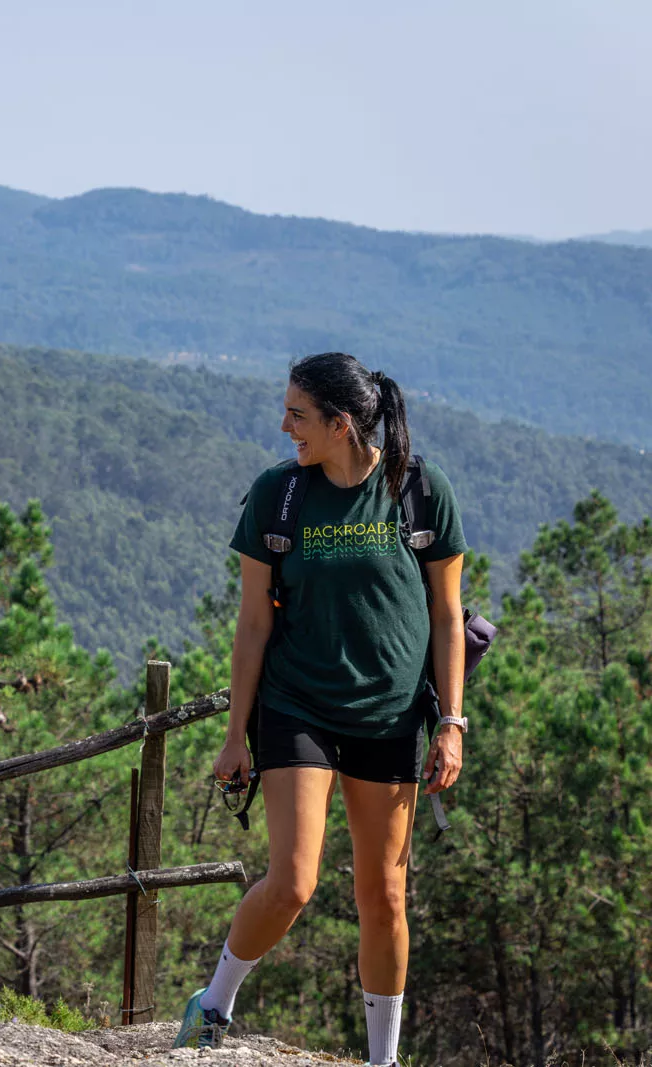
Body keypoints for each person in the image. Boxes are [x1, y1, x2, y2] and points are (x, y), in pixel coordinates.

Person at [174, 352, 469, 1067]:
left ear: (342, 424)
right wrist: (236, 734)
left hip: (390, 715)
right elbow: (251, 624)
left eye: (297, 415)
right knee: (294, 881)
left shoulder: (419, 491)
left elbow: (447, 614)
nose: (284, 427)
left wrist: (452, 723)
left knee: (385, 895)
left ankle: (383, 1059)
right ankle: (214, 1003)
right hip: (297, 706)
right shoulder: (279, 496)